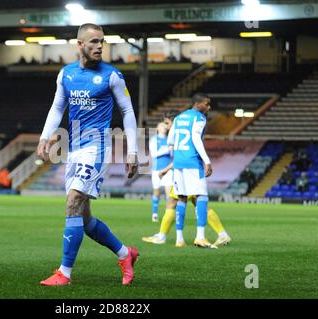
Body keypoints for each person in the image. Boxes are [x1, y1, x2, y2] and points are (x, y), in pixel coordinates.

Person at [37, 23, 139, 286]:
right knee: (84, 217)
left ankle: (64, 273)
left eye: (102, 42)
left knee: (73, 201)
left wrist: (133, 151)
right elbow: (58, 106)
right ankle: (125, 254)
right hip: (75, 149)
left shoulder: (112, 75)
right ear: (79, 45)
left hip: (98, 147)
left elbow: (127, 112)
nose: (100, 46)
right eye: (94, 42)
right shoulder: (66, 74)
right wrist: (45, 137)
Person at [142, 110, 230, 247]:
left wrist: (165, 170)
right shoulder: (179, 132)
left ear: (173, 120)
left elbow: (179, 157)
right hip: (184, 170)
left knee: (174, 203)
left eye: (167, 123)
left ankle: (165, 236)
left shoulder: (177, 133)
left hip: (183, 171)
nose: (165, 126)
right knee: (197, 203)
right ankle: (222, 234)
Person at [167, 93, 215, 248]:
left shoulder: (179, 118)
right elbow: (195, 138)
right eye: (206, 104)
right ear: (198, 103)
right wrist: (207, 160)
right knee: (202, 195)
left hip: (178, 162)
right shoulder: (199, 118)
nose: (209, 107)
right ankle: (200, 236)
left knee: (181, 197)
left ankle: (179, 240)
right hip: (192, 161)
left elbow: (170, 140)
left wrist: (177, 156)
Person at [149, 122, 173, 222]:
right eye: (161, 125)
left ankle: (167, 215)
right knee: (157, 192)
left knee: (169, 193)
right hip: (157, 170)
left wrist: (171, 150)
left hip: (168, 170)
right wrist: (167, 149)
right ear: (157, 128)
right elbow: (154, 154)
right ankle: (155, 214)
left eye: (165, 126)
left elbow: (173, 155)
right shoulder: (154, 139)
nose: (164, 127)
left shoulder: (170, 139)